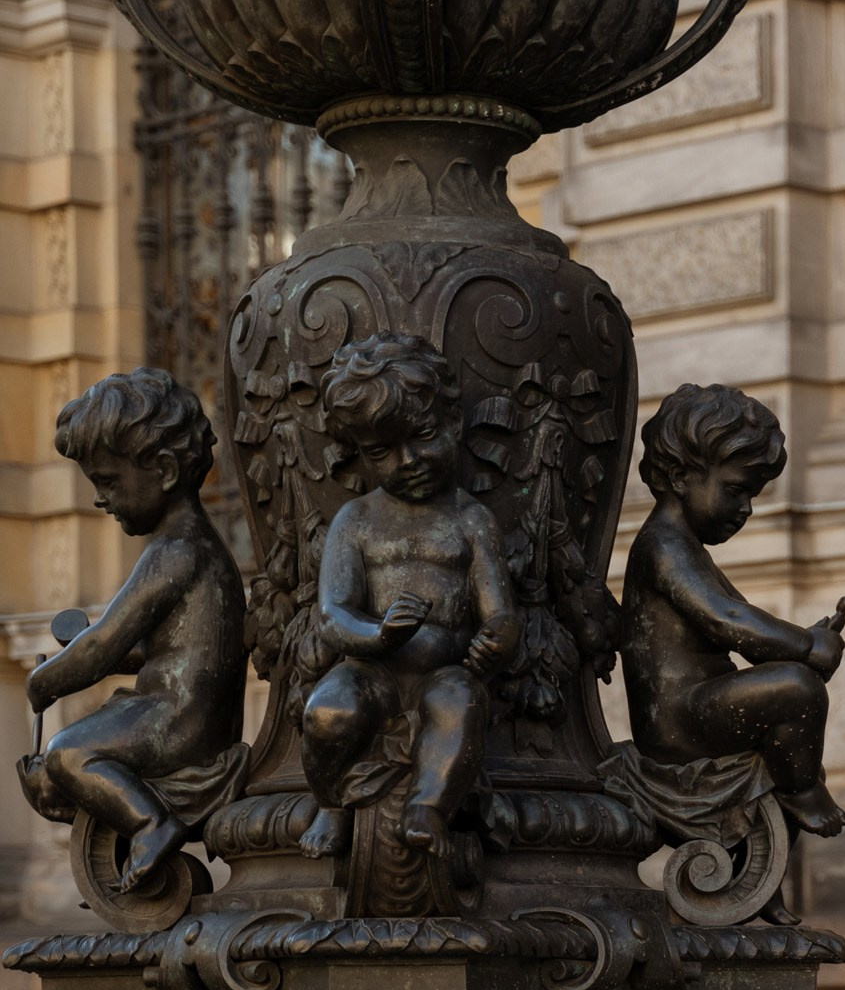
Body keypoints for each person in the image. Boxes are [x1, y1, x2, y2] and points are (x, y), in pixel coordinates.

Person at [20, 369, 245, 892]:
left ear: (164, 469)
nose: (101, 500)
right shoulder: (194, 547)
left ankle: (151, 823)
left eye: (109, 482)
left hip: (182, 724)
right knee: (72, 758)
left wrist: (46, 681)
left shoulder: (174, 552)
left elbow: (103, 645)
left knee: (69, 753)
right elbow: (153, 650)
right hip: (179, 714)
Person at [298, 335, 521, 861]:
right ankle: (331, 803)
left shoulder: (471, 520)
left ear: (453, 424)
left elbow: (499, 611)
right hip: (369, 669)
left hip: (442, 671)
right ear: (359, 452)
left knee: (458, 702)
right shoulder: (354, 521)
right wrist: (378, 634)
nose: (409, 460)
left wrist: (497, 639)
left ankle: (427, 807)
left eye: (423, 436)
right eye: (381, 451)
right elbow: (333, 615)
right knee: (328, 712)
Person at [618, 384, 845, 838]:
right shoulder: (663, 546)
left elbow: (739, 620)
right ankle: (799, 792)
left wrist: (801, 644)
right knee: (796, 689)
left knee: (791, 690)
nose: (744, 508)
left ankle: (772, 832)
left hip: (698, 706)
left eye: (753, 496)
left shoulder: (684, 547)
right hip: (677, 721)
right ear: (682, 476)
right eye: (735, 490)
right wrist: (805, 648)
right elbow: (727, 620)